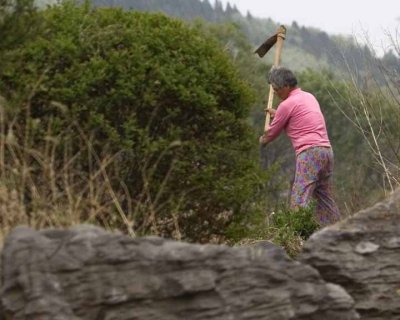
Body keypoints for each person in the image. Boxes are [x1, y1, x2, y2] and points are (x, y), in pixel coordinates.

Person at [259, 66, 340, 225]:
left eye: (276, 89)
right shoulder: (308, 97)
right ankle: (338, 230)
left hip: (310, 153)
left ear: (286, 87)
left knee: (299, 196)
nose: (275, 92)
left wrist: (261, 140)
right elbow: (297, 117)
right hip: (326, 152)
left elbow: (271, 134)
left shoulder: (286, 105)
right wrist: (279, 115)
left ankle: (297, 235)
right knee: (324, 197)